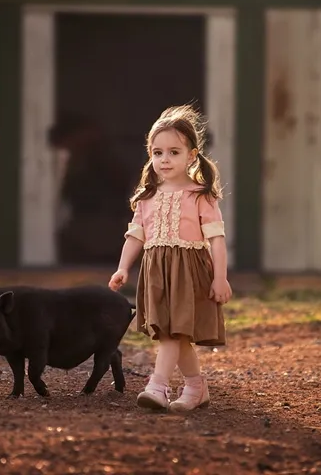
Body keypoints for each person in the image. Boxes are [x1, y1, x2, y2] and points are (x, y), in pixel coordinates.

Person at [108, 105, 232, 412]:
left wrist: (220, 277)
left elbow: (216, 239)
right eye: (158, 152)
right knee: (173, 332)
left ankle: (157, 386)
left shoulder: (200, 195)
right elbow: (136, 235)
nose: (165, 160)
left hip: (189, 271)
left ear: (191, 156)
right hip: (156, 272)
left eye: (174, 152)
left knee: (175, 332)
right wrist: (123, 268)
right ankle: (195, 387)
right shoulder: (147, 196)